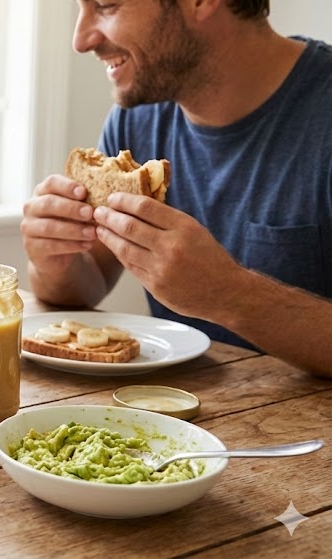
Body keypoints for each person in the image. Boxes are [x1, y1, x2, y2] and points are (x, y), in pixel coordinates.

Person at [20, 0, 332, 377]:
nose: (81, 40)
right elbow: (88, 285)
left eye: (105, 5)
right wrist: (54, 259)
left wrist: (231, 294)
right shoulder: (137, 118)